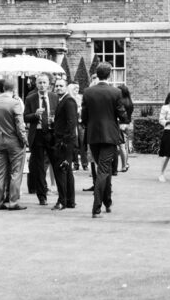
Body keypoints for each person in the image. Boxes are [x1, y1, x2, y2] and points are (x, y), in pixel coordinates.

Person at [80, 62, 126, 218]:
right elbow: (122, 115)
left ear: (97, 74)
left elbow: (84, 117)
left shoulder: (87, 92)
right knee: (103, 170)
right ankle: (97, 207)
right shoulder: (115, 92)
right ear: (110, 74)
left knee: (102, 169)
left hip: (93, 135)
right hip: (109, 136)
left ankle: (107, 201)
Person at [0, 77, 28, 210]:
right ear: (14, 89)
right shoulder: (15, 103)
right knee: (16, 172)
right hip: (14, 141)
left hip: (0, 141)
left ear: (3, 87)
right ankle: (13, 201)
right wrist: (24, 140)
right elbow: (19, 124)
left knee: (0, 172)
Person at [23, 75, 56, 206]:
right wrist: (35, 115)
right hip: (37, 134)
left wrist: (54, 120)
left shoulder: (54, 97)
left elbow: (58, 113)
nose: (42, 85)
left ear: (48, 84)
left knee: (55, 163)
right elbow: (25, 117)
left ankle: (61, 193)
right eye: (40, 82)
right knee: (39, 166)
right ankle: (42, 196)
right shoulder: (30, 98)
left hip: (51, 133)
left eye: (44, 82)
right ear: (36, 84)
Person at [49, 76, 78, 210]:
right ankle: (70, 201)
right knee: (67, 172)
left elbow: (72, 124)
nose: (58, 88)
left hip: (64, 143)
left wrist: (64, 142)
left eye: (61, 85)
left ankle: (62, 201)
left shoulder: (69, 101)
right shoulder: (62, 100)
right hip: (63, 141)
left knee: (61, 171)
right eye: (57, 86)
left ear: (66, 87)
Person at [117, 84, 134, 172]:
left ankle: (123, 166)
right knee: (125, 146)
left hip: (121, 124)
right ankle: (126, 163)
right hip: (128, 124)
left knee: (121, 146)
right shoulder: (129, 101)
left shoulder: (120, 102)